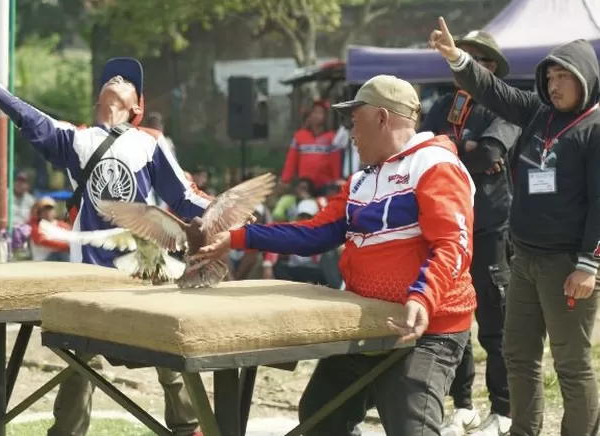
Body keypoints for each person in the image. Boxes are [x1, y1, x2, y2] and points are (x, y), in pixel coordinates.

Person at [0, 53, 206, 436]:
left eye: (127, 81)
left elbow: (184, 197)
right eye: (110, 77)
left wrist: (223, 212)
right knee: (82, 364)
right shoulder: (76, 140)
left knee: (172, 353)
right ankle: (66, 433)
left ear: (137, 108)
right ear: (98, 101)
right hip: (90, 272)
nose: (116, 78)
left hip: (146, 265)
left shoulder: (151, 143)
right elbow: (22, 113)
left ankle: (188, 428)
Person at [194, 74, 477, 435]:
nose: (351, 134)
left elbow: (454, 244)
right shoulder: (360, 181)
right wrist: (237, 237)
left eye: (355, 122)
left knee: (413, 430)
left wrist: (422, 298)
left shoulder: (435, 165)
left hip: (428, 330)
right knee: (318, 416)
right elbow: (314, 233)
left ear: (382, 118)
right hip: (370, 323)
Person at [430, 16, 600, 436]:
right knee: (518, 355)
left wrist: (589, 264)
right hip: (524, 257)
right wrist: (456, 58)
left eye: (565, 77)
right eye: (551, 76)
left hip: (568, 266)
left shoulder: (594, 129)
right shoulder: (538, 112)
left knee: (571, 364)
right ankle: (524, 430)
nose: (555, 85)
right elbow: (494, 89)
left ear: (586, 80)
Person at [420, 30, 519, 436]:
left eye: (472, 57)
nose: (460, 62)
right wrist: (469, 150)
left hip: (490, 226)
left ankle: (505, 408)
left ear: (490, 67)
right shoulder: (444, 104)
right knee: (452, 317)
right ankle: (463, 405)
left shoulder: (506, 106)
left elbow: (494, 154)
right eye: (457, 56)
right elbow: (423, 149)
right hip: (446, 228)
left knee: (494, 321)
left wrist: (458, 151)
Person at [280, 99, 342, 194]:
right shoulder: (299, 136)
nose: (317, 116)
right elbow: (291, 160)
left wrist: (336, 180)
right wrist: (285, 180)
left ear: (325, 116)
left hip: (325, 185)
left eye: (321, 113)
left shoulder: (332, 137)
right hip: (304, 185)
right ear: (309, 115)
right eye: (314, 112)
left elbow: (335, 161)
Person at [29, 197, 71, 262]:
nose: (47, 212)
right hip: (43, 261)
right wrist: (66, 247)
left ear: (55, 211)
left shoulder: (63, 225)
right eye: (44, 210)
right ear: (39, 213)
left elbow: (73, 240)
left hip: (62, 259)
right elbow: (42, 241)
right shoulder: (36, 226)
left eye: (50, 209)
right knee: (60, 253)